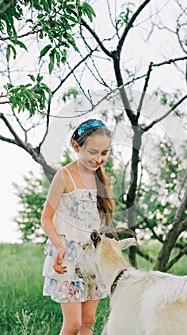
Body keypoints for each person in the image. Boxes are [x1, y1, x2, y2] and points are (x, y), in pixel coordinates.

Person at [41, 119, 113, 335]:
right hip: (69, 259)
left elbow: (101, 224)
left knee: (88, 322)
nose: (98, 159)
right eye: (93, 152)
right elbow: (46, 218)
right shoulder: (64, 176)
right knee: (72, 324)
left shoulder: (101, 180)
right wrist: (59, 246)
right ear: (76, 146)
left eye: (104, 153)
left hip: (92, 259)